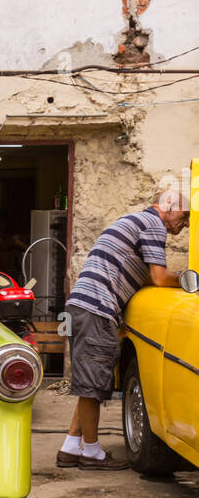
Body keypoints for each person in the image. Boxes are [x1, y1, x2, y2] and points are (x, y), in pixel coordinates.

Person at [57, 187, 190, 470]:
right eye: (185, 215)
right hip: (97, 308)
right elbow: (159, 277)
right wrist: (190, 281)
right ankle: (91, 453)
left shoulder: (132, 220)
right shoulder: (154, 226)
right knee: (94, 383)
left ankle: (70, 447)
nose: (186, 223)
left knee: (88, 379)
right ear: (168, 205)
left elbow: (136, 276)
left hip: (82, 305)